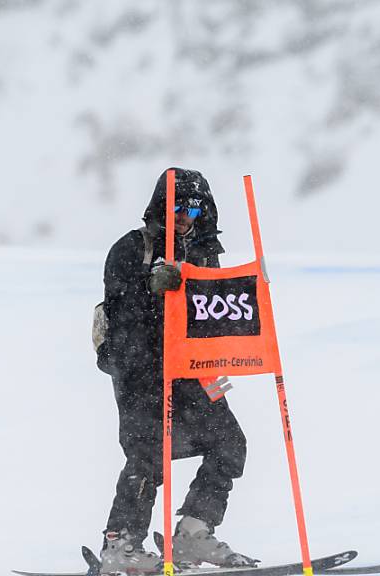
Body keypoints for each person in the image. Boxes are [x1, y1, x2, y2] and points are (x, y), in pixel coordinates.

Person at [99, 167, 257, 573]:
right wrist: (152, 290)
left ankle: (193, 533)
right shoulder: (131, 249)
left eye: (194, 209)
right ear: (161, 207)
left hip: (193, 368)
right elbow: (121, 317)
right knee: (147, 453)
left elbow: (213, 315)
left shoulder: (204, 255)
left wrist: (250, 291)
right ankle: (121, 545)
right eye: (178, 208)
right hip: (140, 371)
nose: (186, 216)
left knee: (229, 443)